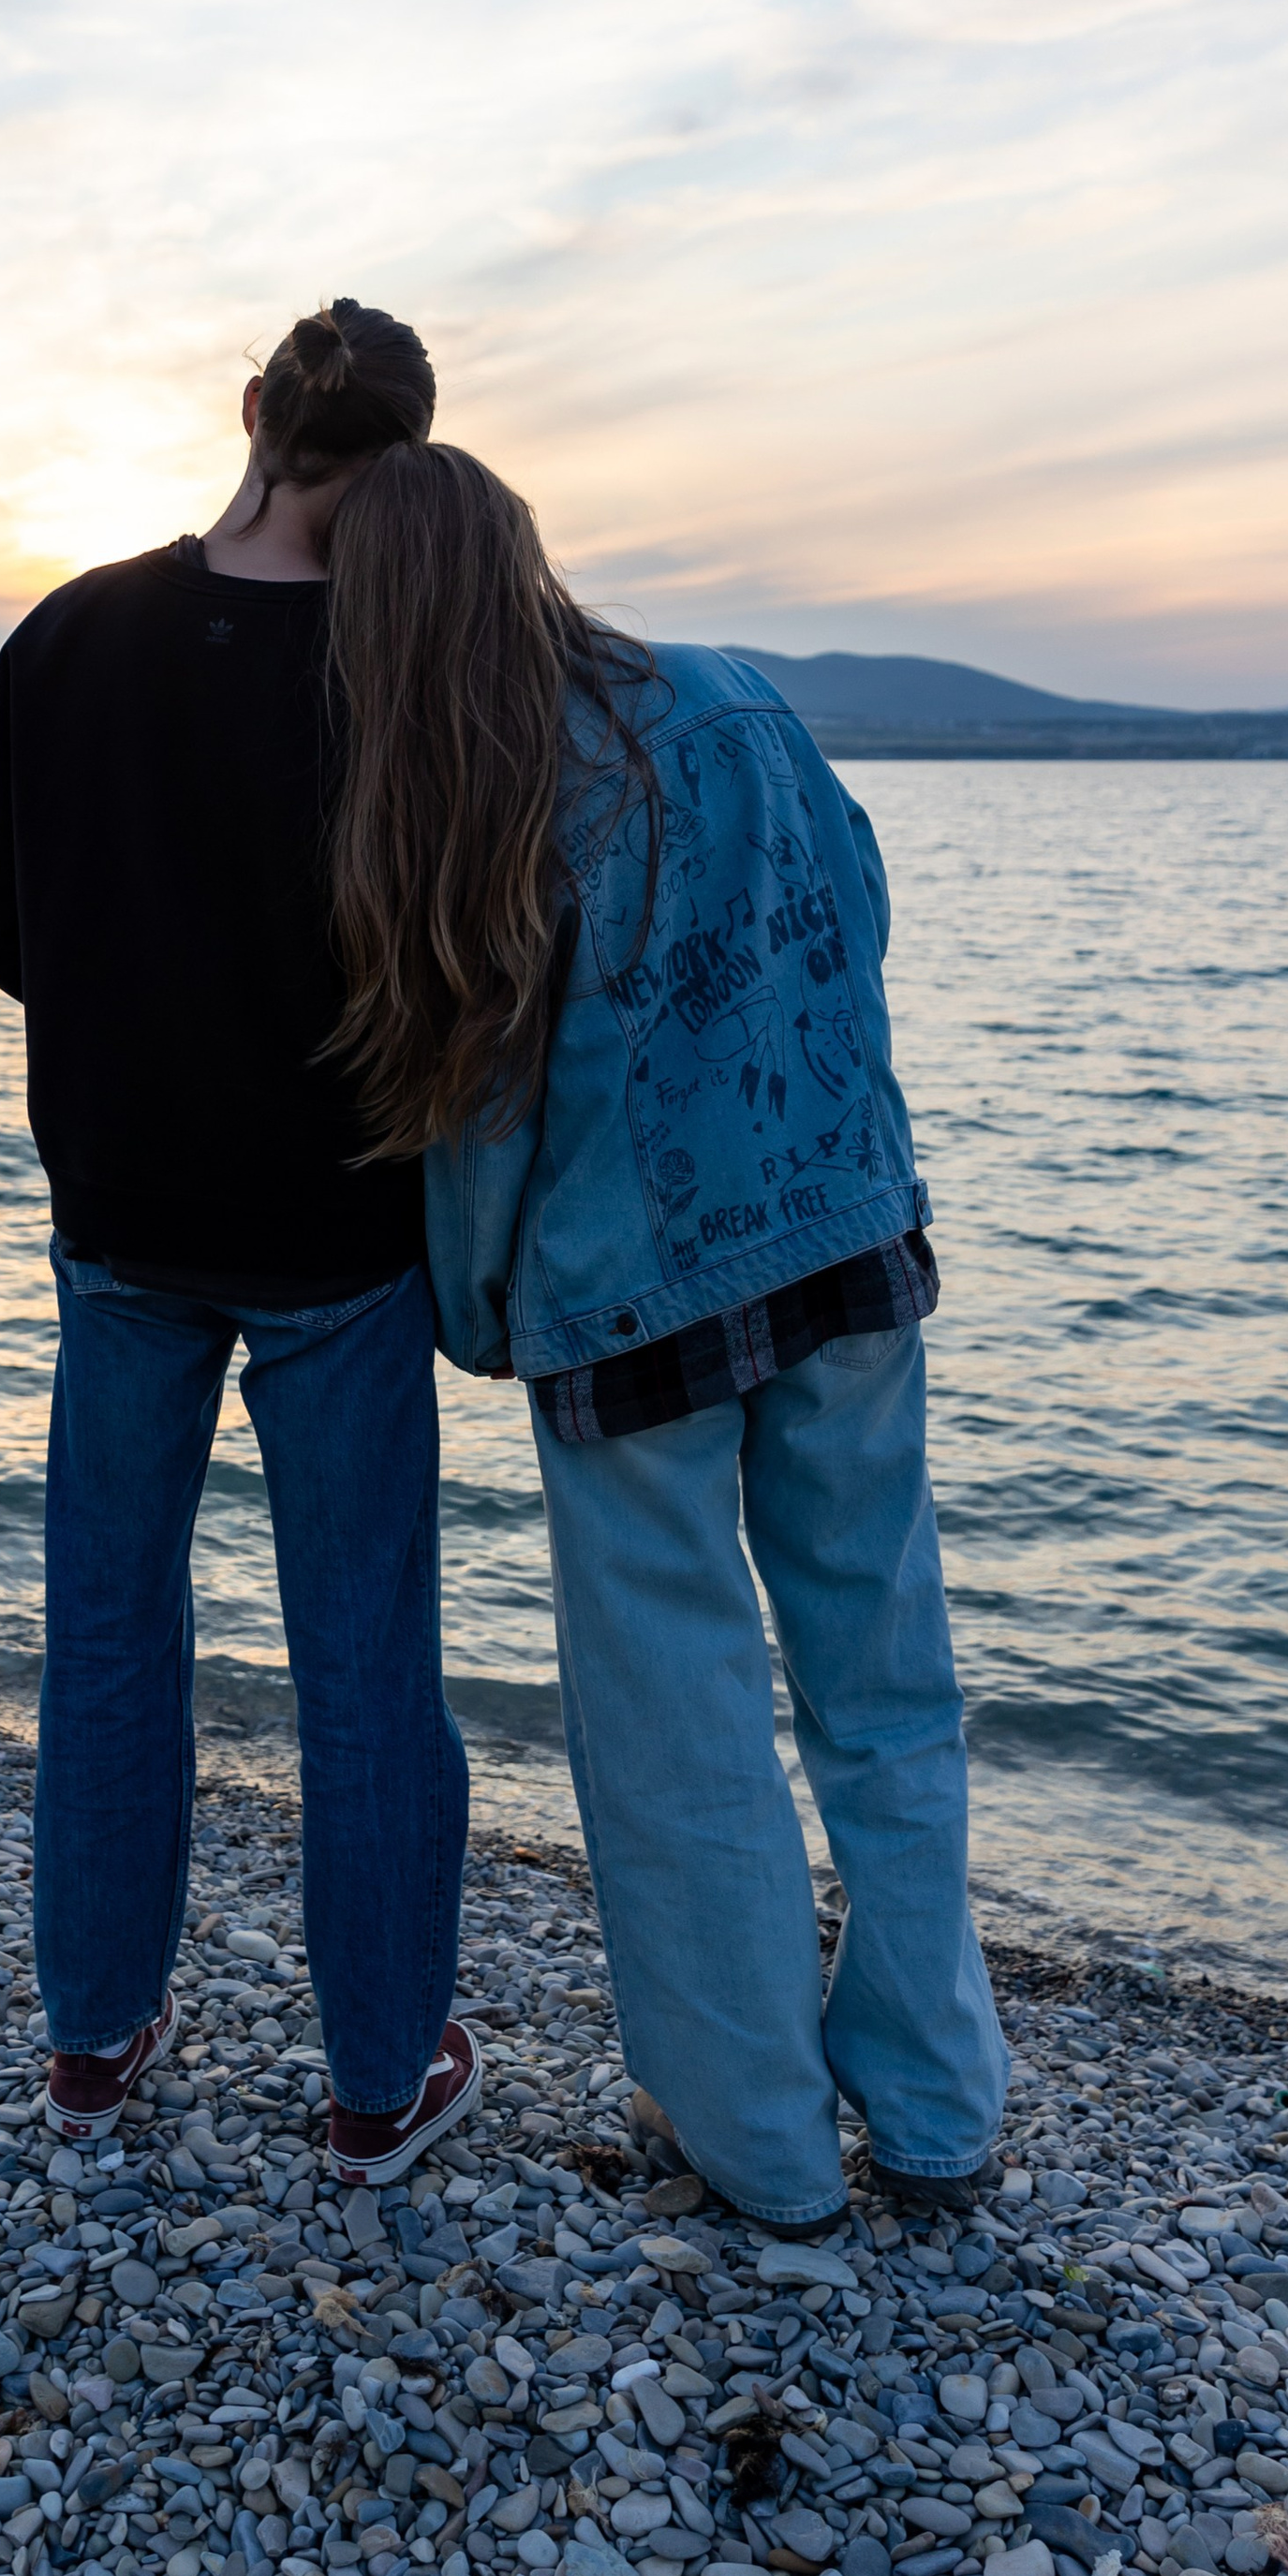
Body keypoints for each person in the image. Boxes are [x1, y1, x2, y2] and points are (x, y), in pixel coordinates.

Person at [319, 439, 1007, 2231]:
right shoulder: (740, 698)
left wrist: (480, 1310)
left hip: (629, 1307)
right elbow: (858, 914)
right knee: (887, 1690)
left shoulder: (480, 791)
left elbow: (482, 1106)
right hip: (851, 1234)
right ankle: (939, 2115)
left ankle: (767, 2148)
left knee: (682, 1730)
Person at [0, 301, 481, 2182]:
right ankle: (370, 2079)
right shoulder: (405, 666)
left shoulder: (62, 631)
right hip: (336, 1224)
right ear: (409, 458)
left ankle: (93, 2044)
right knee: (358, 1652)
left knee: (104, 1629)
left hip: (115, 1211)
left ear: (251, 410)